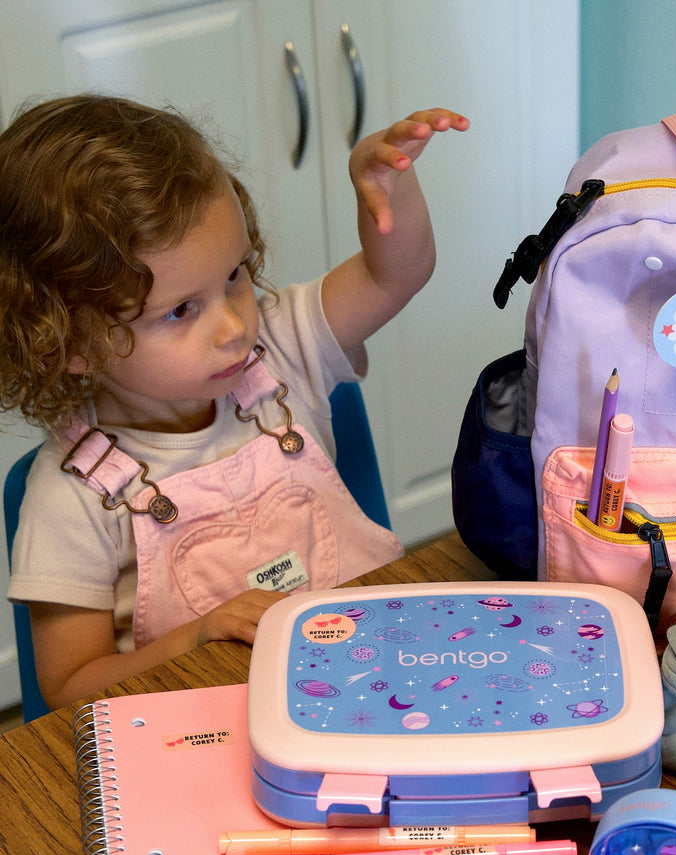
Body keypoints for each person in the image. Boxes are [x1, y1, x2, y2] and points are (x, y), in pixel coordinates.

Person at [0, 94, 468, 710]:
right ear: (73, 341)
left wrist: (386, 187)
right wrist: (196, 638)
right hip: (217, 730)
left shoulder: (282, 346)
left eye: (234, 274)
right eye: (179, 310)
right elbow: (68, 690)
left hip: (384, 686)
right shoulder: (72, 497)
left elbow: (396, 274)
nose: (234, 328)